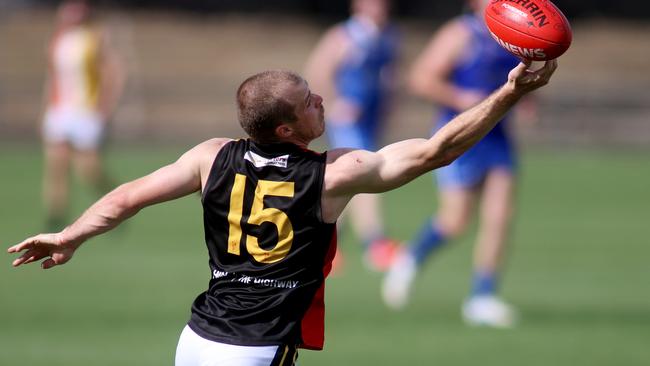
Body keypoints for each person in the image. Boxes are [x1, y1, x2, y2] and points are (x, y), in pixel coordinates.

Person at [9, 62, 556, 365]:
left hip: (196, 340)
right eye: (309, 101)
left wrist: (71, 235)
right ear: (288, 130)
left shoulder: (209, 156)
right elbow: (437, 151)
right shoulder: (331, 176)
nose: (321, 100)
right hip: (255, 348)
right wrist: (508, 92)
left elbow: (125, 197)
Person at [382, 0, 534, 328]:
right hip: (459, 134)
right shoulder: (462, 33)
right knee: (455, 221)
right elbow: (421, 78)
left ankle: (482, 297)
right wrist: (459, 98)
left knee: (499, 216)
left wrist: (528, 97)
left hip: (498, 136)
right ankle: (410, 257)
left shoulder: (517, 35)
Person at [304, 0, 399, 271]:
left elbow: (388, 76)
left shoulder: (389, 36)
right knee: (365, 172)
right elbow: (317, 72)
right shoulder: (343, 36)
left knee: (347, 180)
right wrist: (335, 103)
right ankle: (376, 244)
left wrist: (389, 107)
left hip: (371, 120)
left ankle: (322, 243)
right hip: (347, 121)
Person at [41, 0, 125, 231]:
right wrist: (46, 107)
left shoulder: (94, 38)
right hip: (60, 110)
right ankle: (56, 217)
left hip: (86, 112)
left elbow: (113, 74)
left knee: (88, 169)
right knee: (56, 165)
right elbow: (53, 77)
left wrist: (106, 107)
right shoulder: (58, 40)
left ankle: (117, 205)